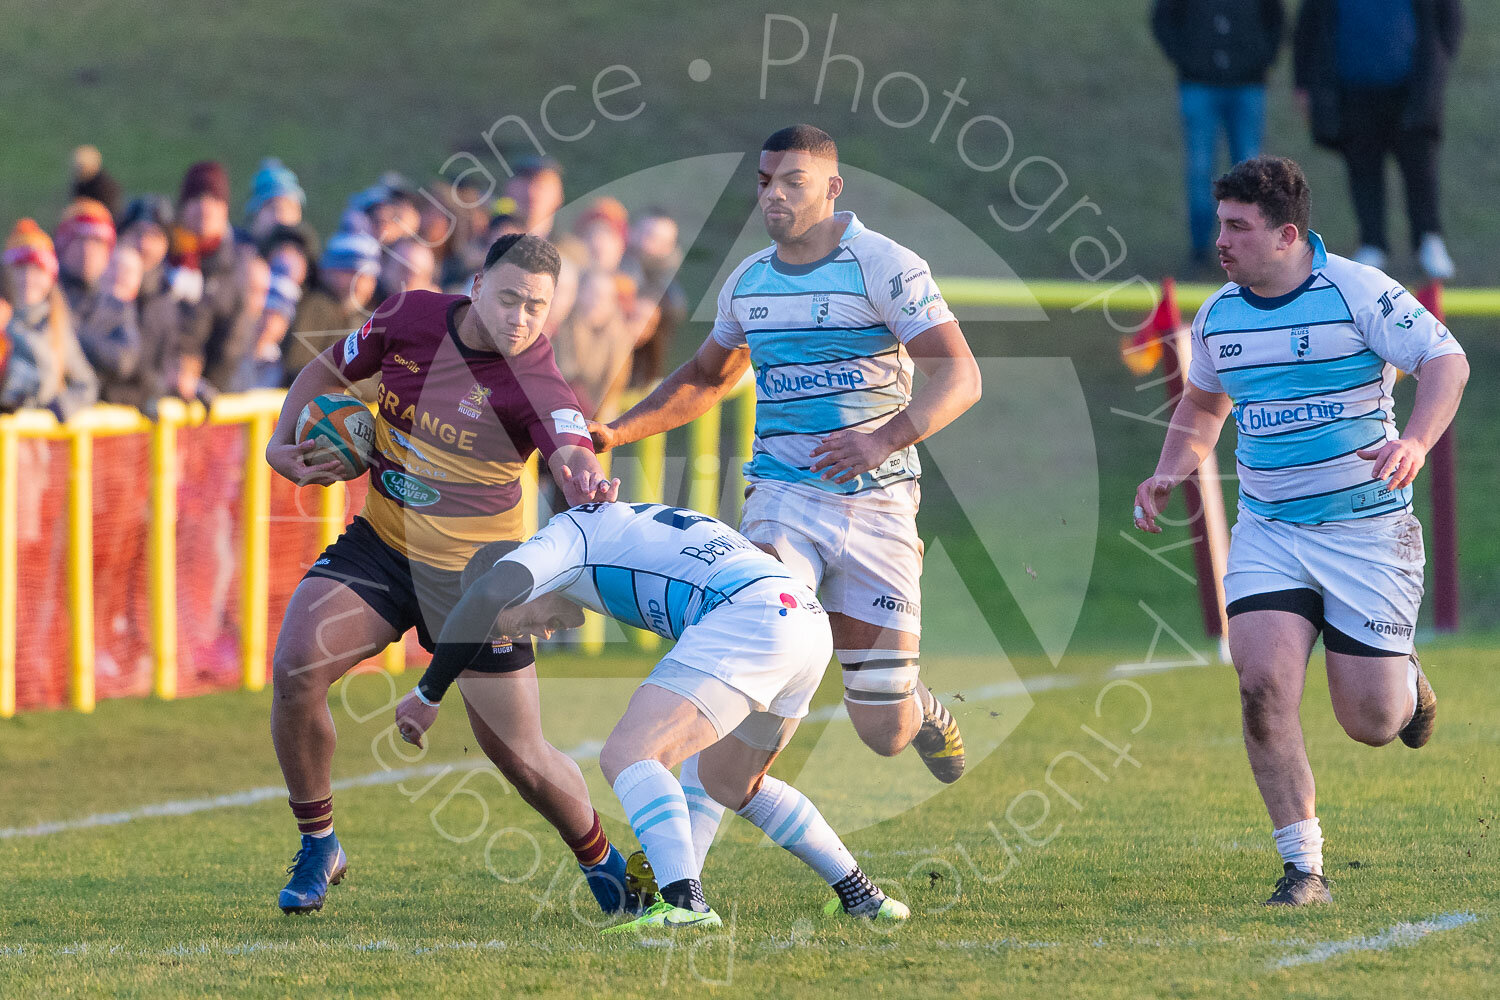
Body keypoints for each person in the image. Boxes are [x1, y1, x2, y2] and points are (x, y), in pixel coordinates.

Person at [591, 125, 983, 867]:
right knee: (754, 643)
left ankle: (921, 709)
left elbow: (961, 376)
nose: (773, 193)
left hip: (879, 511)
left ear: (833, 188)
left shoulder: (884, 265)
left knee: (882, 731)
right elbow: (707, 378)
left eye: (792, 181)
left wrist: (882, 439)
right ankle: (680, 870)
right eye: (765, 179)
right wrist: (618, 431)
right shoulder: (749, 281)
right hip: (782, 502)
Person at [1132, 156, 1469, 905]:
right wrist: (1170, 469)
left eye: (1237, 228)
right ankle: (1303, 868)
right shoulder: (1219, 314)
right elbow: (1201, 409)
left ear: (1286, 234)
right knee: (1261, 687)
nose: (1221, 242)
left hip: (1365, 533)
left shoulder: (1358, 291)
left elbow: (1447, 361)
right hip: (1271, 531)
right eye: (1220, 224)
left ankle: (1406, 683)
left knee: (1373, 721)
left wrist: (1412, 442)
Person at [264, 233, 625, 915]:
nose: (522, 318)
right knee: (294, 669)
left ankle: (603, 862)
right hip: (382, 544)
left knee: (519, 754)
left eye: (537, 308)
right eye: (510, 299)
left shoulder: (538, 381)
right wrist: (281, 442)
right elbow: (325, 372)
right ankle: (320, 846)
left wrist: (588, 480)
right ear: (478, 286)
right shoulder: (408, 319)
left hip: (474, 579)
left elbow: (573, 454)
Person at [394, 500, 912, 931]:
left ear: (520, 584)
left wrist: (428, 692)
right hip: (800, 618)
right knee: (729, 781)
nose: (540, 633)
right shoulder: (595, 530)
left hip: (748, 613)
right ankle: (864, 896)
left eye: (517, 624)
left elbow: (485, 593)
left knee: (629, 754)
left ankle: (685, 906)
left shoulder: (556, 544)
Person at [1294, 0, 1463, 278]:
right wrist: (1304, 82)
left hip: (1410, 89)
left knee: (1420, 168)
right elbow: (1309, 27)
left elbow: (1449, 21)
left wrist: (1437, 61)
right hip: (1354, 90)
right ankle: (1373, 243)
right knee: (1363, 170)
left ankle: (1428, 238)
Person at [1151, 0, 1284, 272]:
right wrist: (1187, 58)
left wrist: (1262, 56)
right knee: (1200, 168)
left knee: (1252, 172)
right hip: (1199, 83)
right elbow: (1163, 18)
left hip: (1247, 83)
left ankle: (1252, 246)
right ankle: (1201, 248)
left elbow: (1276, 19)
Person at [0, 219, 98, 418]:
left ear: (50, 277)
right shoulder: (4, 324)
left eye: (37, 270)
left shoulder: (57, 326)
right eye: (20, 269)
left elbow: (86, 384)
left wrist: (60, 408)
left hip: (42, 441)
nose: (27, 278)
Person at [56, 199, 145, 404]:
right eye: (80, 239)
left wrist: (71, 335)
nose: (88, 250)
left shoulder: (117, 307)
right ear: (63, 243)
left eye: (97, 242)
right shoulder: (44, 295)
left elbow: (124, 361)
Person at [281, 228, 381, 383]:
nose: (359, 283)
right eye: (350, 272)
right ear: (327, 271)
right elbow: (299, 369)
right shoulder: (317, 307)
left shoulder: (365, 316)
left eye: (367, 276)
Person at [620, 207, 686, 389]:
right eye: (648, 235)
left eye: (664, 242)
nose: (653, 246)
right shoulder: (613, 271)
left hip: (643, 380)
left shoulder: (670, 299)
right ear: (632, 233)